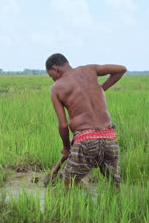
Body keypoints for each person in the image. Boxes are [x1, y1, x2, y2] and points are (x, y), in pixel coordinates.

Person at [45, 53, 127, 189]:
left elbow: (63, 125)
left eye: (50, 75)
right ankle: (118, 208)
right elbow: (121, 69)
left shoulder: (56, 88)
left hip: (85, 140)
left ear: (55, 69)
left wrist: (66, 147)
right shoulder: (90, 69)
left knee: (69, 186)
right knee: (114, 184)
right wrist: (100, 89)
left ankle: (65, 208)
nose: (52, 79)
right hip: (109, 136)